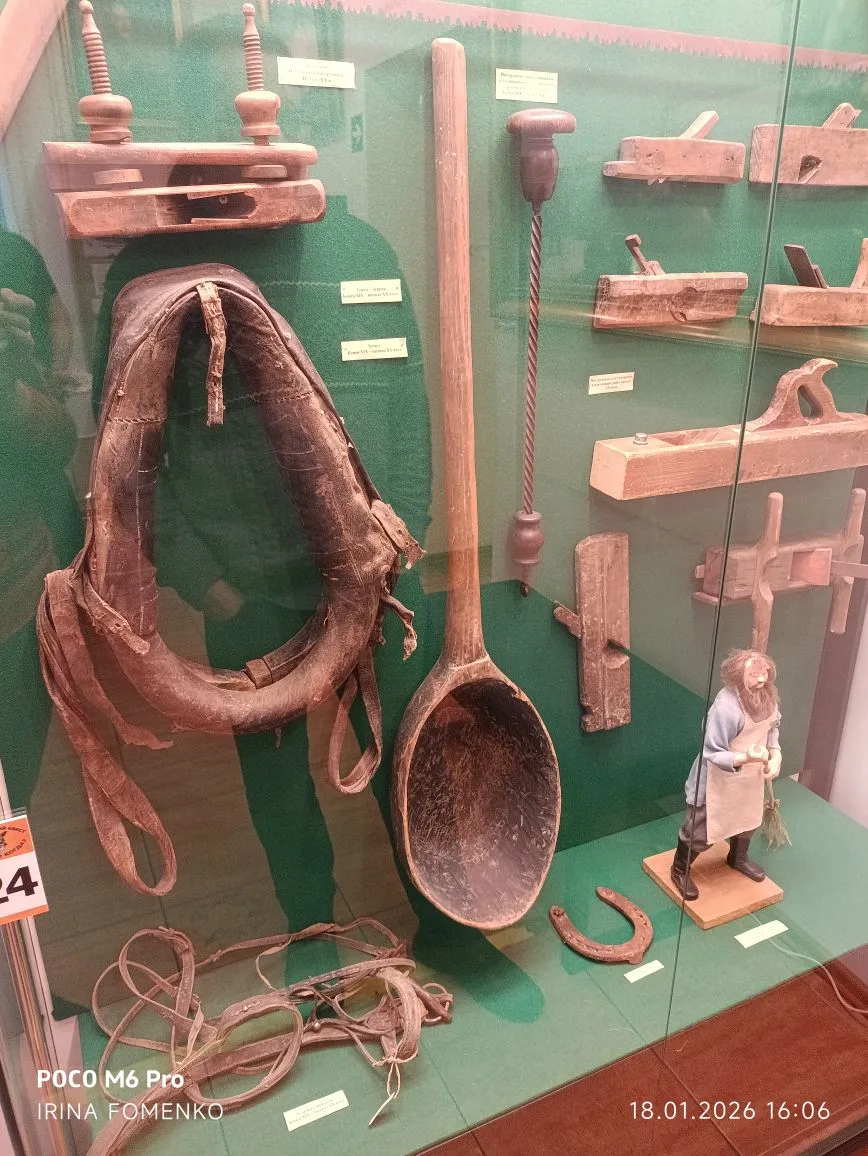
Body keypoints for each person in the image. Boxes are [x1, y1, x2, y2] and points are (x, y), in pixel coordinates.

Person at [0, 228, 82, 811]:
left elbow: (53, 441)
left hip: (16, 584)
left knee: (16, 787)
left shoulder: (10, 252)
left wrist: (22, 382)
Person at [672, 649, 782, 901]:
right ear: (737, 675)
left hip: (750, 780)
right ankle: (679, 869)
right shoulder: (726, 707)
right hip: (717, 780)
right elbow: (711, 751)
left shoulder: (767, 697)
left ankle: (737, 857)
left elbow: (772, 727)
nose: (762, 679)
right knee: (700, 831)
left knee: (747, 821)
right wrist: (744, 757)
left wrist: (776, 756)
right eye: (754, 674)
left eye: (765, 672)